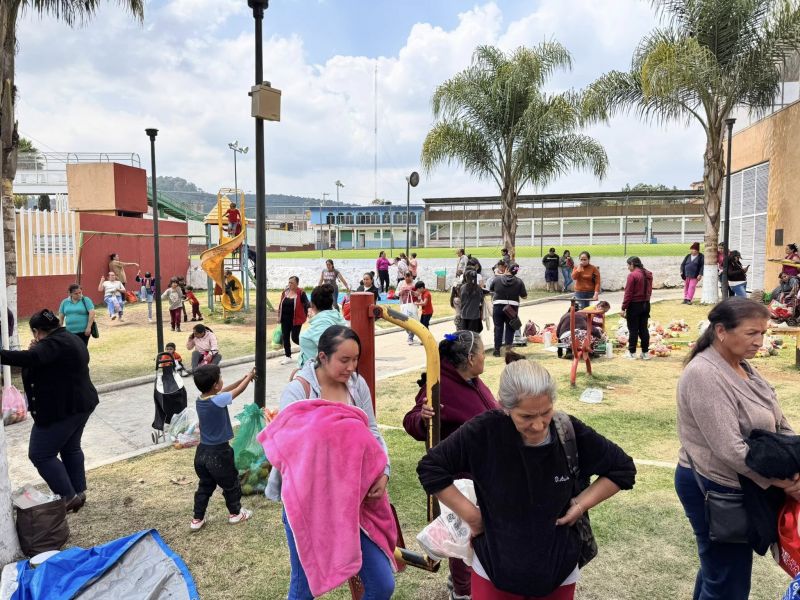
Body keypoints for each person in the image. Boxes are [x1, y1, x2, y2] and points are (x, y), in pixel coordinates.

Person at [417, 358, 636, 599]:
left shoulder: (568, 431)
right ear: (505, 407)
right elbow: (431, 468)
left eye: (546, 412)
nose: (539, 425)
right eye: (526, 417)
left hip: (558, 571)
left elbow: (622, 469)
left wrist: (580, 504)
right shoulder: (484, 431)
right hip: (493, 568)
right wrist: (473, 517)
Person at [675, 298, 799, 600]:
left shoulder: (742, 366)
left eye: (763, 333)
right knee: (727, 582)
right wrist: (784, 482)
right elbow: (730, 449)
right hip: (715, 487)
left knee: (719, 573)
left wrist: (793, 464)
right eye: (751, 333)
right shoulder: (704, 374)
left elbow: (779, 422)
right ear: (721, 331)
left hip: (743, 483)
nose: (759, 341)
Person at [269, 326, 394, 599]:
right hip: (309, 503)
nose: (351, 367)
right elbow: (290, 448)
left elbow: (372, 431)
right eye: (344, 360)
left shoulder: (357, 385)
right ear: (323, 357)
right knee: (304, 589)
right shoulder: (298, 391)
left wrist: (384, 471)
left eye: (355, 359)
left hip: (353, 499)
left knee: (382, 583)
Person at [403, 331, 498, 599]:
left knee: (480, 535)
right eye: (482, 352)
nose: (485, 357)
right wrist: (422, 418)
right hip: (460, 479)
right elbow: (411, 420)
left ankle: (466, 580)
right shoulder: (439, 383)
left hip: (483, 474)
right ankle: (462, 592)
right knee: (463, 536)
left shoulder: (471, 379)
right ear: (470, 358)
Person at [0, 310, 99, 513]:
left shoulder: (53, 344)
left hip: (61, 410)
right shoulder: (70, 337)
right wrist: (37, 349)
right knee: (71, 448)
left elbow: (31, 358)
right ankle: (78, 493)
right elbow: (43, 361)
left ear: (37, 331)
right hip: (81, 403)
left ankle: (68, 496)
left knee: (41, 454)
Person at [189, 364, 255, 531]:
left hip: (202, 452)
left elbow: (224, 391)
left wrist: (242, 379)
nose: (222, 380)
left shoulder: (201, 399)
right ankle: (235, 514)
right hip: (219, 453)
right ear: (215, 385)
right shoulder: (218, 400)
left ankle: (197, 518)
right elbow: (237, 391)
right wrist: (249, 377)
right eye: (220, 378)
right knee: (231, 483)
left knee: (205, 486)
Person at [297, 284, 347, 368]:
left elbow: (329, 351)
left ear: (312, 304)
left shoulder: (322, 323)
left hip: (314, 373)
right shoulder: (334, 316)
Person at [489, 262, 527, 357]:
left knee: (498, 328)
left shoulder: (497, 279)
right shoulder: (519, 281)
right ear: (516, 272)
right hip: (512, 308)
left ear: (507, 269)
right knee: (510, 328)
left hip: (498, 306)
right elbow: (524, 296)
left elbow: (491, 290)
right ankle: (508, 351)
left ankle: (497, 350)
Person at [621, 256, 653, 360]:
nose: (628, 267)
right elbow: (649, 290)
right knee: (643, 329)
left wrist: (623, 307)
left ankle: (632, 353)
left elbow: (628, 293)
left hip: (634, 305)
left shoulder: (632, 275)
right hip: (646, 304)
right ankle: (645, 353)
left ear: (632, 264)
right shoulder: (648, 274)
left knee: (633, 329)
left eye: (628, 265)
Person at [277, 276, 310, 365]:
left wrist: (309, 312)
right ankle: (288, 356)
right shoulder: (285, 292)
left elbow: (306, 303)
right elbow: (281, 304)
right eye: (289, 282)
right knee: (285, 337)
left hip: (296, 319)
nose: (290, 284)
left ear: (297, 284)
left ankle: (308, 348)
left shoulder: (301, 293)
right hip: (284, 319)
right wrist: (279, 316)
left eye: (292, 283)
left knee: (295, 338)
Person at [398, 272, 419, 345]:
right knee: (404, 322)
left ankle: (410, 337)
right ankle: (410, 333)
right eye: (406, 276)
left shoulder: (415, 283)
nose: (407, 278)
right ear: (404, 277)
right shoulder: (401, 283)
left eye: (409, 276)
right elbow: (396, 293)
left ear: (412, 276)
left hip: (413, 305)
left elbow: (419, 294)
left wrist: (413, 293)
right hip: (404, 305)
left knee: (412, 321)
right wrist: (401, 292)